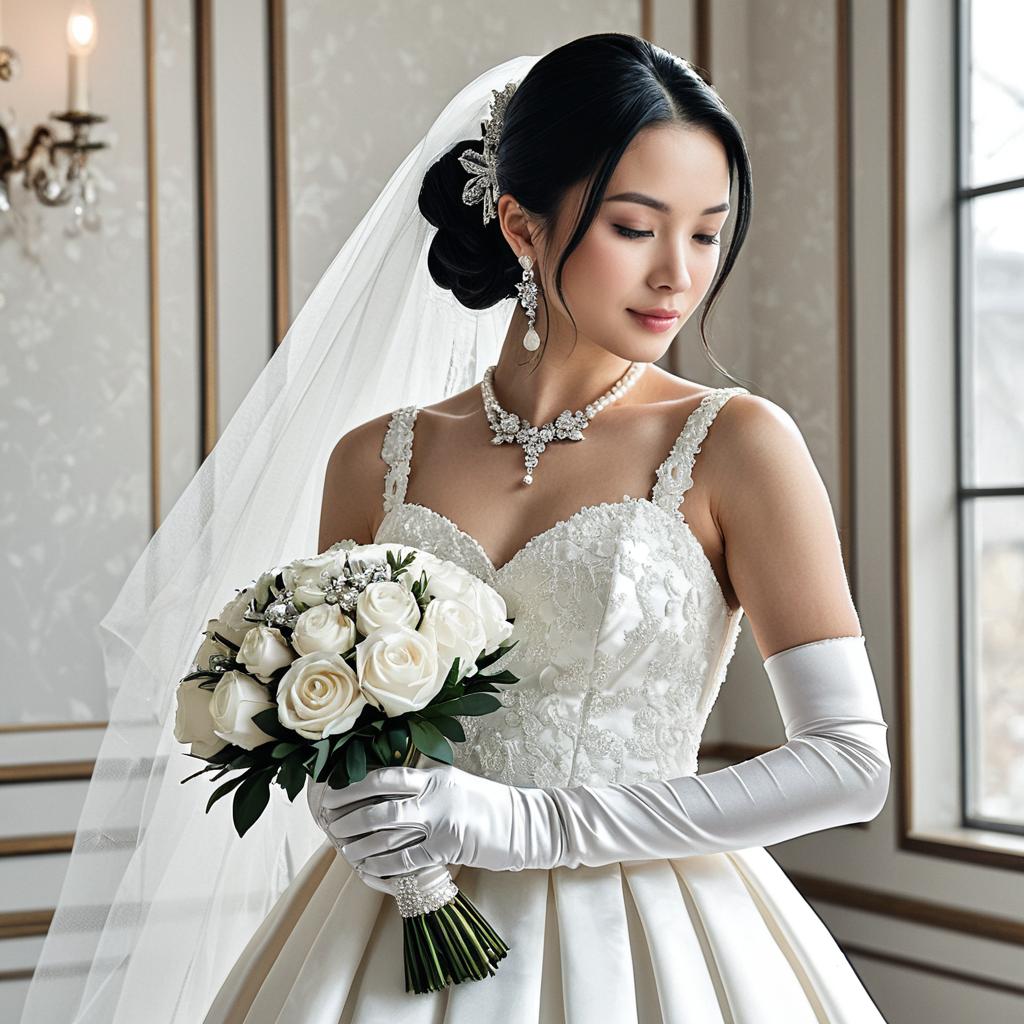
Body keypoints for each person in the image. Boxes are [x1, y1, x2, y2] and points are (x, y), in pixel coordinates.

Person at [20, 33, 890, 1024]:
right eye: (635, 227)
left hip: (650, 940)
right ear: (522, 227)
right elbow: (336, 727)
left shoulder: (735, 442)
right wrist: (348, 807)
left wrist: (531, 822)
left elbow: (848, 763)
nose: (677, 276)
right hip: (388, 929)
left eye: (705, 232)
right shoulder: (374, 457)